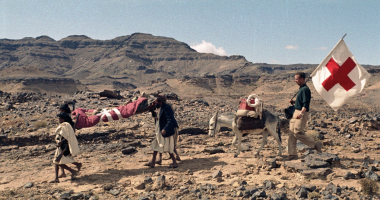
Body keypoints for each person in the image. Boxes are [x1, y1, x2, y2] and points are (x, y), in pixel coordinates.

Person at [288, 72, 322, 160]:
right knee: (291, 133)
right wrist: (294, 102)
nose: (295, 80)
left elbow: (306, 104)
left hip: (300, 113)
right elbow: (301, 102)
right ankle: (292, 154)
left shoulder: (305, 89)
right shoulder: (301, 89)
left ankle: (315, 144)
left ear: (302, 79)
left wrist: (301, 113)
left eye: (296, 79)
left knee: (297, 133)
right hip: (296, 111)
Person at [144, 94, 180, 168]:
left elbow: (170, 120)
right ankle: (153, 162)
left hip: (164, 131)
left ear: (160, 102)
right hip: (159, 130)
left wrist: (165, 129)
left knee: (168, 146)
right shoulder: (160, 108)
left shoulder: (166, 108)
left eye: (156, 101)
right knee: (156, 145)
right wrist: (152, 112)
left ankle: (174, 162)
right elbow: (158, 117)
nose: (155, 103)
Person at [51, 112, 82, 183]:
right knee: (57, 161)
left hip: (64, 146)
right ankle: (56, 178)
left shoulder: (67, 125)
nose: (58, 119)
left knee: (57, 162)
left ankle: (72, 171)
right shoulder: (62, 125)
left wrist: (61, 142)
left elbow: (69, 137)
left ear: (63, 119)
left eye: (59, 118)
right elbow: (60, 136)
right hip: (60, 145)